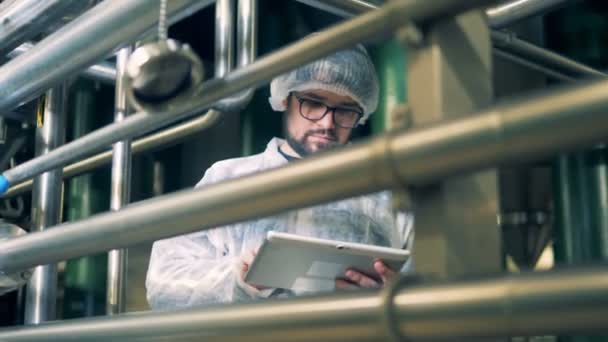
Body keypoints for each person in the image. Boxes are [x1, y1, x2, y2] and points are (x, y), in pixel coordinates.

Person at [146, 44, 414, 310]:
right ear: (285, 98)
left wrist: (396, 293)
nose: (327, 124)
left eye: (345, 110)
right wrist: (240, 279)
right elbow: (164, 282)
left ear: (362, 114)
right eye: (313, 102)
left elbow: (433, 279)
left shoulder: (385, 192)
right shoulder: (229, 179)